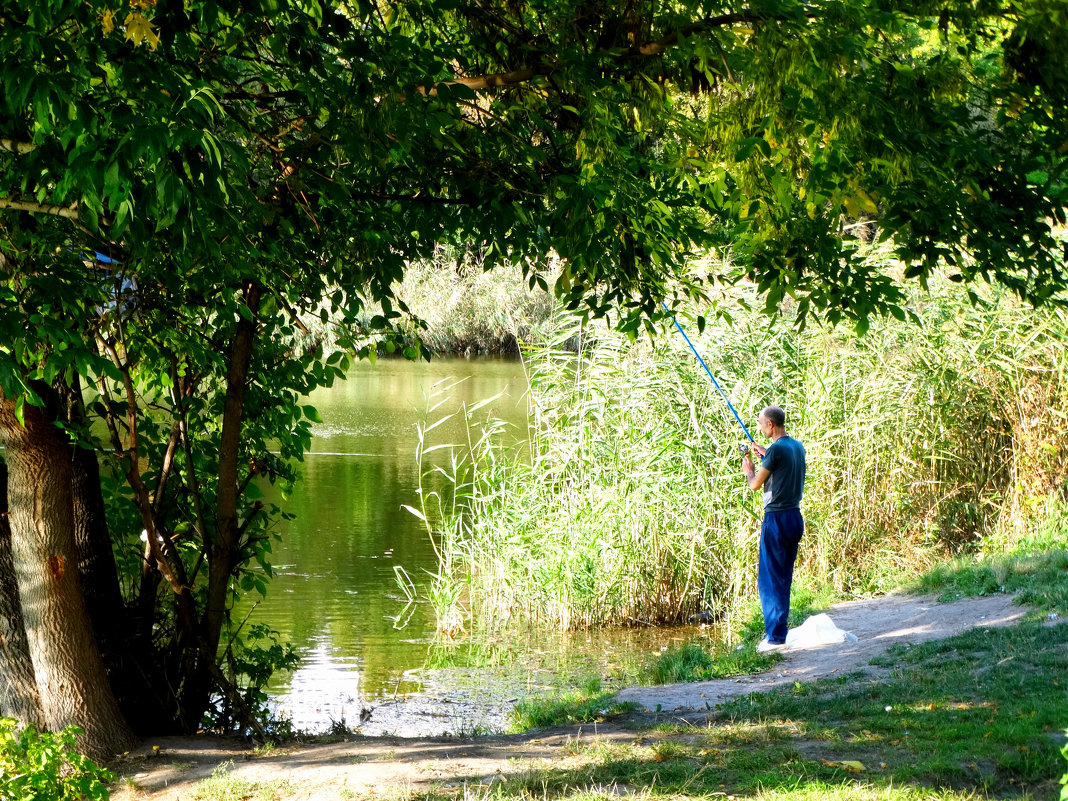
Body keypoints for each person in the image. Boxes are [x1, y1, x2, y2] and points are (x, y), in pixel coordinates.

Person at [741, 405, 806, 652]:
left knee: (770, 580)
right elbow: (780, 461)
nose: (759, 427)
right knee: (783, 577)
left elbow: (756, 484)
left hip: (777, 520)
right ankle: (778, 632)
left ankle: (776, 638)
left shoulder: (776, 451)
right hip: (794, 518)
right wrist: (765, 453)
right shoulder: (796, 447)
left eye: (761, 423)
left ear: (771, 425)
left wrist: (749, 471)